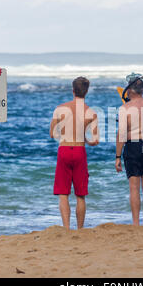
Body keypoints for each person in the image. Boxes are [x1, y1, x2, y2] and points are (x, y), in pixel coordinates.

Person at [50, 77, 99, 229]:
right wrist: (85, 139)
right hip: (79, 150)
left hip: (64, 150)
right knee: (80, 194)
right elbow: (95, 140)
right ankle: (80, 228)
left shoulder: (60, 108)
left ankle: (66, 228)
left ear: (73, 90)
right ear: (86, 91)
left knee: (63, 193)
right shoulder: (91, 112)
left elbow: (52, 133)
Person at [115, 73, 143, 226]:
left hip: (133, 144)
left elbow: (121, 134)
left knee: (134, 188)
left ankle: (135, 223)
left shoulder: (125, 108)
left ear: (130, 90)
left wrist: (118, 157)